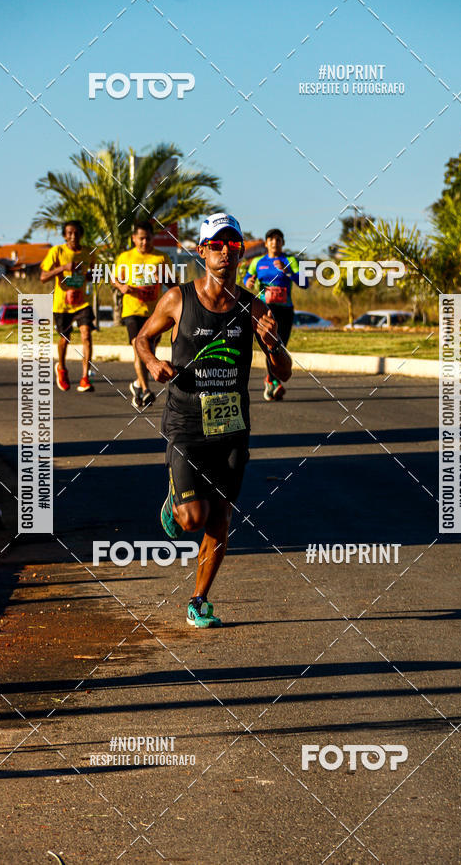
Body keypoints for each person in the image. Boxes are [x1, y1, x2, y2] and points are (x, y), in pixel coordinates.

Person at [136, 213, 291, 628]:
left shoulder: (252, 307)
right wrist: (151, 362)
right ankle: (176, 500)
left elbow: (285, 370)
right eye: (217, 245)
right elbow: (142, 337)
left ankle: (198, 599)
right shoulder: (177, 299)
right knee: (192, 519)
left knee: (221, 516)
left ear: (240, 251)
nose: (226, 252)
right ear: (202, 250)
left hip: (231, 428)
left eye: (233, 245)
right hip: (186, 423)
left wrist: (273, 345)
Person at [112, 221, 173, 410]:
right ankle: (146, 390)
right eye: (141, 238)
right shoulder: (126, 257)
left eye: (147, 238)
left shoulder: (161, 257)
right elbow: (115, 278)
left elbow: (174, 285)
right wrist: (122, 286)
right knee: (138, 346)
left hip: (155, 313)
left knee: (149, 351)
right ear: (134, 238)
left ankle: (137, 385)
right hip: (132, 310)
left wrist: (162, 278)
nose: (144, 242)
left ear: (152, 238)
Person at [244, 228, 305, 401]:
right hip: (265, 309)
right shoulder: (258, 261)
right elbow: (247, 277)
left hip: (285, 309)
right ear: (266, 243)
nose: (274, 243)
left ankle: (271, 380)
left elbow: (304, 282)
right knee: (269, 344)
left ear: (282, 243)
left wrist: (288, 272)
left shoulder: (290, 260)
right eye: (271, 239)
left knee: (281, 345)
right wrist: (248, 281)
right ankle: (273, 382)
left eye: (278, 240)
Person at [40, 220, 96, 392]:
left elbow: (95, 274)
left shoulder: (89, 252)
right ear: (64, 235)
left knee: (86, 335)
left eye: (76, 233)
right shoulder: (57, 251)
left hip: (82, 302)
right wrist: (63, 268)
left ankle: (85, 377)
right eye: (69, 233)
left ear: (81, 234)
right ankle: (62, 368)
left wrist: (89, 275)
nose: (73, 236)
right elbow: (43, 277)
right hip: (62, 304)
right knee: (65, 339)